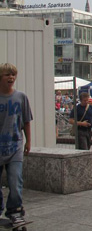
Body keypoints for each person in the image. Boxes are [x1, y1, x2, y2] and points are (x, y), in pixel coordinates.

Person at [0, 64, 32, 228]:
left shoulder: (21, 97)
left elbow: (26, 121)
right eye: (7, 75)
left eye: (13, 75)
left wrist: (28, 142)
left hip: (15, 147)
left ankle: (15, 211)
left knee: (15, 181)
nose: (11, 78)